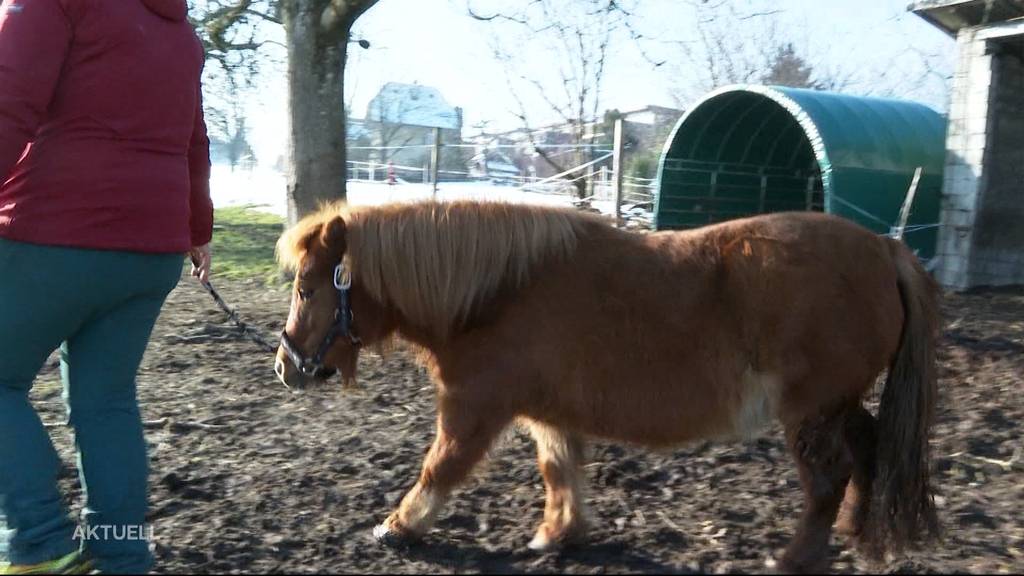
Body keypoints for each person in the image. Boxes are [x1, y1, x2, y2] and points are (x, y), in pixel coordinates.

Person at [0, 0, 212, 573]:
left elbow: (9, 105)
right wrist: (197, 230)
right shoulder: (180, 33)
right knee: (105, 402)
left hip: (56, 231)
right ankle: (121, 553)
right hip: (151, 253)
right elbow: (194, 139)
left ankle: (39, 539)